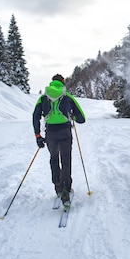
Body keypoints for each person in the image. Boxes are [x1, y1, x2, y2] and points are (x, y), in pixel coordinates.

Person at [33, 74, 86, 206]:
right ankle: (66, 190)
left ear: (52, 83)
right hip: (65, 132)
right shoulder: (67, 96)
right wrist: (72, 117)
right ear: (62, 82)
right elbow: (82, 118)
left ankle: (57, 186)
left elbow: (35, 117)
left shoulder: (43, 97)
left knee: (54, 158)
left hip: (50, 133)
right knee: (66, 160)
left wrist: (38, 135)